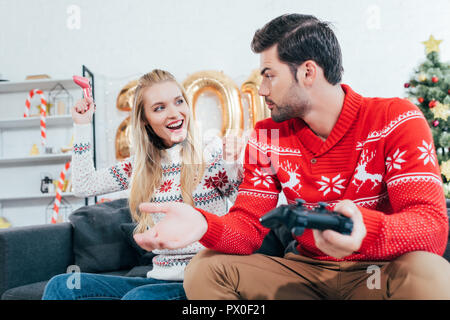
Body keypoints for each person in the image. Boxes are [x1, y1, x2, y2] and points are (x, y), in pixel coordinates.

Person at [134, 14, 450, 300]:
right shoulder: (266, 135)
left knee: (431, 271)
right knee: (205, 269)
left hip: (379, 273)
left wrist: (364, 232)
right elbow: (247, 227)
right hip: (305, 276)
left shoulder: (395, 118)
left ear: (308, 72)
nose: (261, 89)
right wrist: (203, 225)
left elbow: (431, 228)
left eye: (269, 75)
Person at [42, 69, 244, 300]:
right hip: (160, 278)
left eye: (179, 102)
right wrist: (82, 125)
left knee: (138, 298)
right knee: (64, 285)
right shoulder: (140, 166)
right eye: (159, 108)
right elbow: (83, 186)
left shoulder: (211, 152)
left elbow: (242, 202)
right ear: (145, 120)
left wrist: (236, 161)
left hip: (203, 279)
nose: (174, 113)